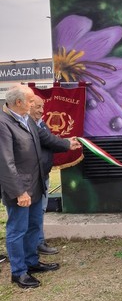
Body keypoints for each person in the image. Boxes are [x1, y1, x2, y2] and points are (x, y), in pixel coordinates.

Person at [0, 84, 81, 289]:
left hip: (36, 184)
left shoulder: (26, 118)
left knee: (33, 226)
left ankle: (31, 263)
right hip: (21, 190)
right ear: (19, 102)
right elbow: (5, 163)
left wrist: (66, 144)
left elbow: (44, 137)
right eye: (30, 101)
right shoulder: (4, 124)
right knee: (17, 230)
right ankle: (18, 273)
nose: (34, 104)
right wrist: (19, 192)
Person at [29, 95, 58, 255]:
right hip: (32, 178)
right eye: (38, 107)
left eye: (42, 107)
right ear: (28, 105)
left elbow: (50, 140)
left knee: (40, 210)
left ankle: (38, 242)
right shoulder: (28, 125)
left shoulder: (40, 123)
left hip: (43, 175)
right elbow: (50, 141)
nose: (42, 110)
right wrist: (67, 144)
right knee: (33, 212)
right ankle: (35, 244)